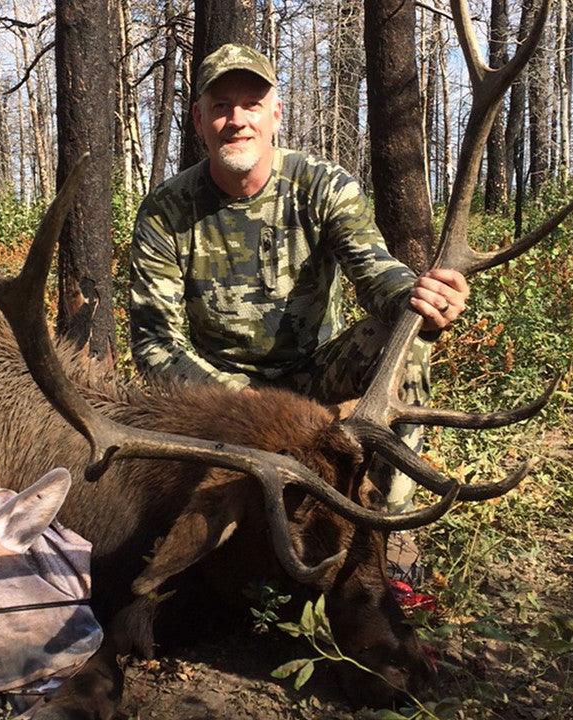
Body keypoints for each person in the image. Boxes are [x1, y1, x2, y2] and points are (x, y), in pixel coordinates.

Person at [128, 44, 469, 583]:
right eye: (221, 106)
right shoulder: (166, 212)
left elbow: (376, 270)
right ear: (199, 119)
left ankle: (388, 524)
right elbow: (155, 346)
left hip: (314, 382)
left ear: (275, 113)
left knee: (404, 339)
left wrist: (417, 297)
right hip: (220, 405)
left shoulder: (322, 186)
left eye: (251, 104)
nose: (236, 120)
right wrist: (247, 405)